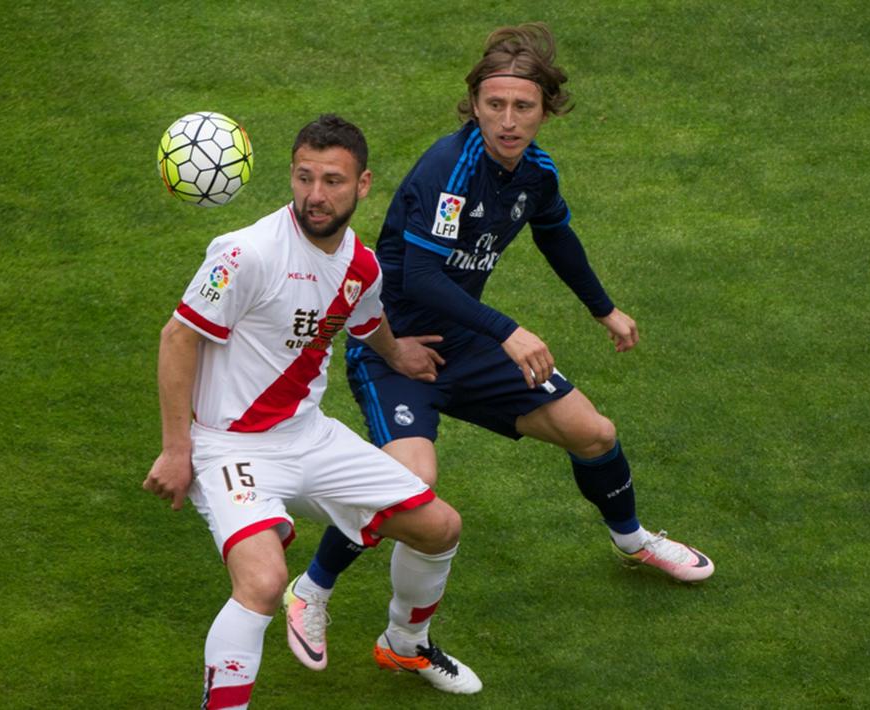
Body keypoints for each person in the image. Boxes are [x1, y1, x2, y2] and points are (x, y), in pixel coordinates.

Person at [282, 23, 715, 670]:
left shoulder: (534, 172)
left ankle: (632, 542)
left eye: (522, 107)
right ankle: (309, 590)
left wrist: (605, 310)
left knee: (592, 432)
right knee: (409, 485)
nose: (507, 122)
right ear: (473, 104)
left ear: (546, 109)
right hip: (396, 347)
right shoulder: (447, 172)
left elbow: (555, 237)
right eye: (494, 105)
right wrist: (508, 331)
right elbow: (422, 278)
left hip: (467, 341)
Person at [142, 114, 482, 708]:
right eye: (304, 178)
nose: (315, 195)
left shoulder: (361, 265)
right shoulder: (245, 253)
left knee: (439, 527)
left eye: (332, 181)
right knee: (265, 582)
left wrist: (395, 350)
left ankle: (405, 641)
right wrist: (178, 450)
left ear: (363, 184)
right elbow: (178, 338)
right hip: (230, 447)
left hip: (309, 438)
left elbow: (363, 316)